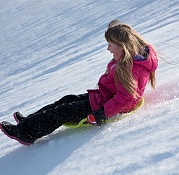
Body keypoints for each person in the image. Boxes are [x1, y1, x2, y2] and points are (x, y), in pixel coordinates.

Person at [0, 20, 158, 146]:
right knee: (66, 100)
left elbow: (127, 98)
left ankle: (25, 133)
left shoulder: (129, 67)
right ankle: (29, 121)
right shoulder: (128, 60)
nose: (108, 49)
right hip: (104, 97)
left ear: (123, 46)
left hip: (104, 106)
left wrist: (102, 114)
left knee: (61, 112)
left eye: (110, 45)